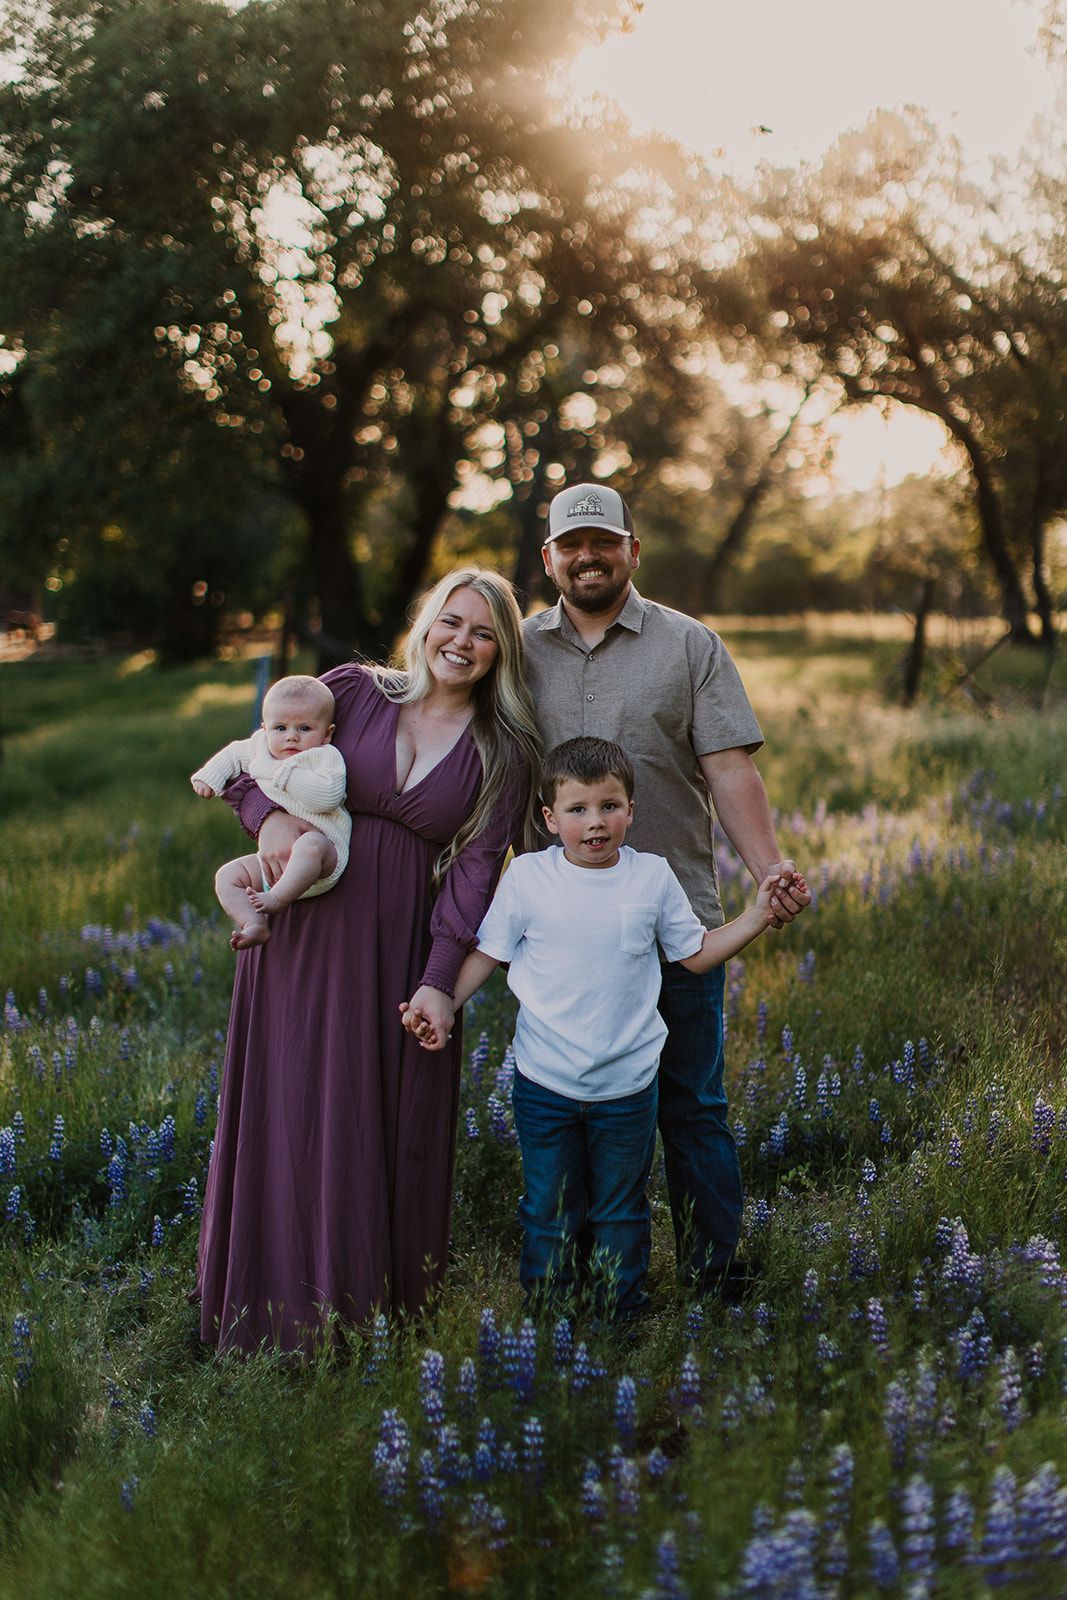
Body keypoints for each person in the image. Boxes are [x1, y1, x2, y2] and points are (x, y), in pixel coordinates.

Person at [196, 569, 541, 1354]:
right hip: (304, 930)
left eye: (484, 633)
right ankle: (260, 1306)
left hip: (401, 946)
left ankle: (363, 1314)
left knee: (382, 1109)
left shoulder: (504, 747)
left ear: (501, 652)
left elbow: (479, 870)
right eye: (451, 622)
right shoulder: (353, 691)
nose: (462, 642)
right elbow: (261, 758)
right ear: (425, 623)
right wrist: (270, 821)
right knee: (290, 1099)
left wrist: (439, 977)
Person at [403, 737, 808, 1321]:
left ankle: (619, 1318)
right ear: (549, 819)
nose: (596, 823)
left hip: (627, 1086)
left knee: (621, 1210)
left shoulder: (651, 877)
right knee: (549, 1206)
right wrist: (442, 998)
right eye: (578, 810)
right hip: (545, 1083)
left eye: (609, 806)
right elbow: (487, 954)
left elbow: (692, 953)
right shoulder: (528, 880)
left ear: (631, 811)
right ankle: (547, 1319)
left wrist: (756, 915)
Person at [522, 482, 811, 1298]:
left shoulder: (688, 645)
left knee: (691, 1107)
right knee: (568, 1114)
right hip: (562, 932)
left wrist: (767, 873)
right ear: (548, 557)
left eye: (603, 542)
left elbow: (728, 766)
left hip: (673, 920)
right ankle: (576, 1286)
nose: (587, 557)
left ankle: (717, 1278)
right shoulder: (515, 649)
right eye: (571, 545)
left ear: (631, 551)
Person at [191, 675, 350, 950]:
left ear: (326, 733)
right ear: (264, 729)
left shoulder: (324, 756)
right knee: (227, 876)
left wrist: (282, 774)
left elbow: (327, 796)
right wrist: (208, 777)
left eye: (304, 728)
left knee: (310, 844)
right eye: (280, 728)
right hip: (274, 867)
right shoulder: (258, 747)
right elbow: (231, 755)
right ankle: (254, 924)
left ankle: (277, 900)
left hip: (324, 857)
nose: (291, 736)